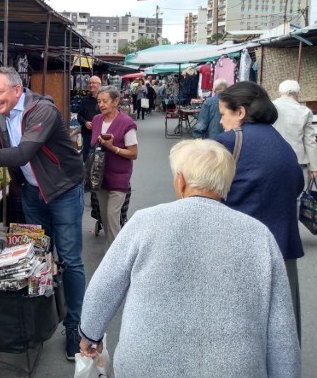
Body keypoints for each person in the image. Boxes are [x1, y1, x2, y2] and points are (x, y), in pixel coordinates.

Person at [78, 139, 300, 378]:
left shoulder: (145, 222)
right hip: (233, 368)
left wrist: (90, 335)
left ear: (180, 180)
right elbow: (282, 330)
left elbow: (105, 286)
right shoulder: (258, 235)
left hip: (146, 364)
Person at [0, 66, 86, 361]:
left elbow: (23, 153)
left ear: (17, 89)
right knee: (38, 258)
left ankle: (76, 327)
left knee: (70, 259)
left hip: (62, 191)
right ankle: (40, 321)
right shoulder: (0, 114)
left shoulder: (42, 111)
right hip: (31, 192)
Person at [214, 81, 304, 342]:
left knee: (239, 334)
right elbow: (296, 185)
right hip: (283, 248)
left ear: (240, 112)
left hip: (239, 251)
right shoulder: (281, 143)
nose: (221, 122)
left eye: (223, 114)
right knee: (280, 332)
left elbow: (202, 196)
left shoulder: (228, 142)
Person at [90, 86, 138, 251]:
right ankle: (110, 251)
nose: (101, 104)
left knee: (112, 218)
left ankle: (118, 256)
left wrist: (113, 148)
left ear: (116, 102)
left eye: (105, 101)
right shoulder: (97, 120)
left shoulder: (126, 123)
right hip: (100, 177)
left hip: (119, 177)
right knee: (104, 217)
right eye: (99, 101)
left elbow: (133, 153)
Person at [272, 79, 317, 186]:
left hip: (273, 159)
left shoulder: (270, 107)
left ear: (280, 92)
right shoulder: (305, 112)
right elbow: (309, 141)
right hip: (298, 160)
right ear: (297, 94)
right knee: (296, 196)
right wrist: (314, 167)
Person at [77, 75, 102, 161]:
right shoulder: (85, 100)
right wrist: (85, 122)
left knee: (99, 156)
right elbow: (79, 116)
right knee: (87, 155)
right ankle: (87, 173)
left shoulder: (104, 99)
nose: (91, 85)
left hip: (101, 133)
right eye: (89, 83)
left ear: (99, 85)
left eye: (93, 83)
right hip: (87, 133)